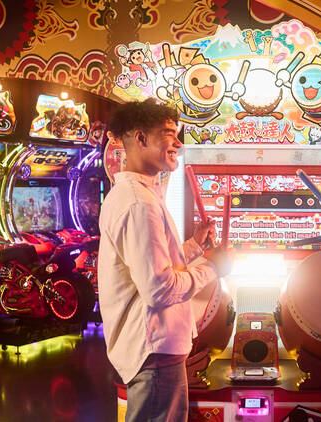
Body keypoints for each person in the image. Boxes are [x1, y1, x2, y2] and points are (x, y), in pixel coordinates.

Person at [98, 99, 233, 422]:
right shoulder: (138, 203)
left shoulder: (137, 193)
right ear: (141, 138)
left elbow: (151, 265)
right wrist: (212, 267)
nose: (178, 143)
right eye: (169, 134)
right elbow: (158, 288)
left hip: (155, 348)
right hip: (153, 348)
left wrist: (195, 247)